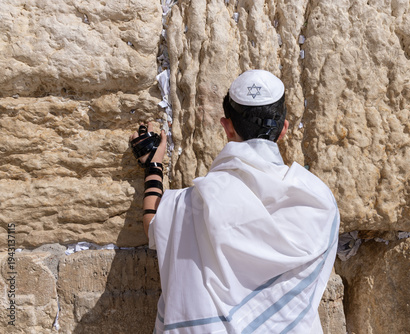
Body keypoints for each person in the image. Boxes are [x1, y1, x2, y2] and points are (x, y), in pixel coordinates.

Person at [129, 70, 340, 333]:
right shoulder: (317, 200)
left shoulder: (195, 203)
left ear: (227, 127)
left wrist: (153, 166)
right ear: (283, 129)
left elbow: (153, 224)